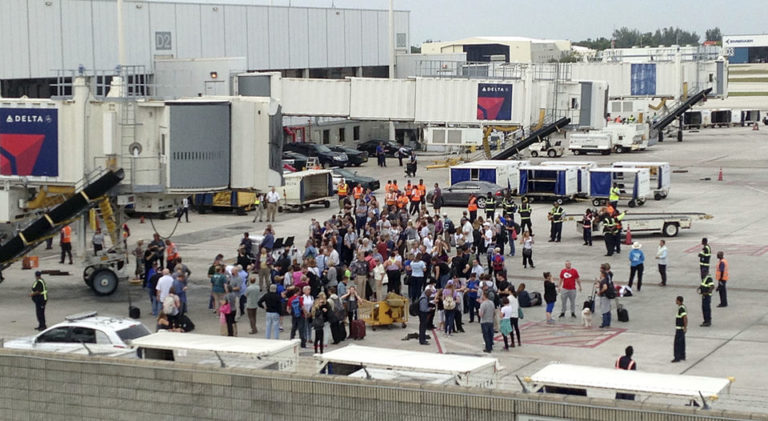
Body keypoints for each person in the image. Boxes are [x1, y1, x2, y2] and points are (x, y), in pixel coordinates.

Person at [597, 263, 614, 328]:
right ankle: (608, 322)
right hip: (609, 294)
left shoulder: (604, 279)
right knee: (607, 309)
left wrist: (600, 292)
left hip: (604, 295)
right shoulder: (609, 275)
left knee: (604, 309)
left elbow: (605, 287)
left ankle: (604, 323)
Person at [672, 296, 687, 363]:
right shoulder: (683, 307)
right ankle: (682, 356)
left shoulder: (681, 309)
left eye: (676, 300)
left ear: (679, 301)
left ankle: (677, 357)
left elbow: (685, 318)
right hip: (681, 329)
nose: (675, 301)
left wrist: (685, 327)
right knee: (682, 343)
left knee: (677, 343)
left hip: (680, 329)